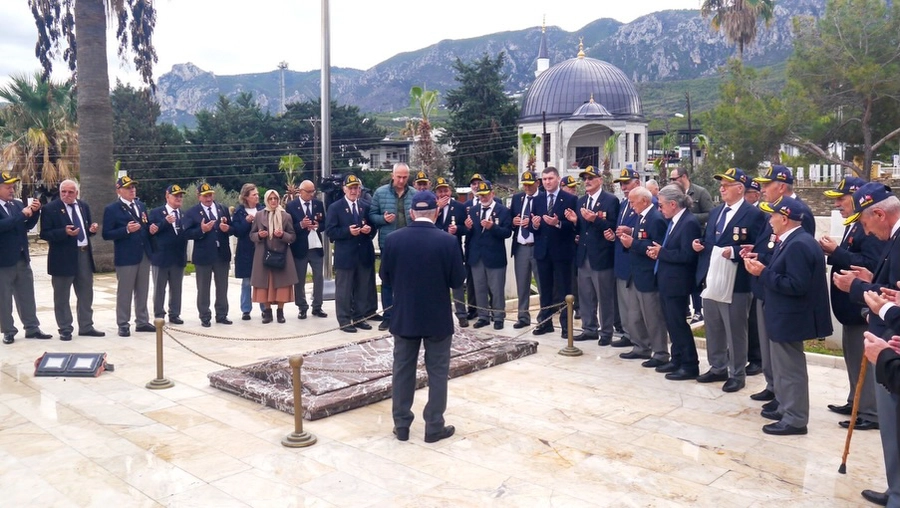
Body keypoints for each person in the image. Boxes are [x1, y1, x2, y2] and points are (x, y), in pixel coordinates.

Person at [832, 182, 900, 507]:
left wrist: (857, 287)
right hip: (887, 334)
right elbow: (889, 288)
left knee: (893, 423)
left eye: (865, 223)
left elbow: (889, 298)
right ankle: (895, 486)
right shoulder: (893, 239)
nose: (866, 231)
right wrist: (871, 280)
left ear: (879, 214)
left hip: (892, 340)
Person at [381, 190, 465, 444]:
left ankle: (402, 425)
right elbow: (457, 280)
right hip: (437, 318)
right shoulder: (448, 241)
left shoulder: (394, 239)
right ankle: (434, 427)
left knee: (402, 371)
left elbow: (385, 277)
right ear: (436, 212)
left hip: (405, 315)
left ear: (411, 213)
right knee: (437, 372)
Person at [743, 196, 832, 435]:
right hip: (783, 314)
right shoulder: (792, 240)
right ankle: (785, 407)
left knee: (790, 369)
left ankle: (795, 419)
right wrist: (762, 265)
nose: (769, 220)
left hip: (790, 317)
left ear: (784, 219)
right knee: (782, 368)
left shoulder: (799, 244)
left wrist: (762, 273)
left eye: (773, 216)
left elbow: (796, 285)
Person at [746, 166, 815, 406]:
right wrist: (756, 253)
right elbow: (773, 245)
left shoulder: (799, 213)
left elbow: (794, 255)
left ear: (782, 186)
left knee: (783, 351)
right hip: (767, 285)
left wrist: (764, 267)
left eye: (767, 185)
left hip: (781, 290)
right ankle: (774, 386)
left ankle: (783, 396)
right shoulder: (772, 210)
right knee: (769, 345)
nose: (762, 189)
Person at [693, 168, 766, 393]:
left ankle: (737, 373)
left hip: (737, 281)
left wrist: (734, 252)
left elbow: (759, 247)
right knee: (713, 326)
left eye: (726, 185)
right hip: (713, 277)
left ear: (740, 188)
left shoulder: (754, 214)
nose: (721, 188)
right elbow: (710, 239)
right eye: (721, 184)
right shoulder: (716, 212)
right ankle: (717, 367)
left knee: (735, 330)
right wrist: (700, 244)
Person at [820, 177, 882, 431]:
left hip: (860, 306)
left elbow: (870, 264)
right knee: (852, 357)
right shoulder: (853, 225)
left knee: (862, 359)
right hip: (848, 306)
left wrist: (836, 252)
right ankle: (855, 401)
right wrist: (833, 253)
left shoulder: (869, 228)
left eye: (842, 199)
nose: (837, 204)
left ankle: (870, 411)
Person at [647, 184, 701, 380]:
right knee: (671, 322)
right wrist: (660, 252)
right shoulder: (674, 221)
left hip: (678, 282)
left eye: (661, 205)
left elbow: (687, 255)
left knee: (678, 324)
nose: (659, 208)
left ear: (673, 204)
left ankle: (690, 364)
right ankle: (677, 358)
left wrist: (662, 253)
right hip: (667, 279)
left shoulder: (689, 223)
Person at [39, 179, 102, 341]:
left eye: (70, 192)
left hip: (83, 254)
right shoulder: (50, 209)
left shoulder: (83, 206)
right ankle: (65, 328)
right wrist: (64, 232)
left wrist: (91, 230)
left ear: (77, 193)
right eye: (63, 192)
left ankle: (86, 326)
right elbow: (44, 234)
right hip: (62, 257)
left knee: (86, 293)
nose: (66, 195)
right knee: (62, 296)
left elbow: (85, 229)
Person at [564, 166, 618, 344]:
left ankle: (606, 332)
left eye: (591, 178)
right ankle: (589, 328)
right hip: (584, 255)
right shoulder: (581, 201)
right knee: (586, 296)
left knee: (605, 297)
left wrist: (595, 219)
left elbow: (613, 227)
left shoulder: (610, 200)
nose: (587, 181)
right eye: (585, 178)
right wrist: (575, 221)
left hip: (602, 256)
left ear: (600, 180)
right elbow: (581, 230)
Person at [617, 187, 670, 366]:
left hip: (648, 275)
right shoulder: (641, 217)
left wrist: (632, 243)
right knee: (635, 315)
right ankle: (641, 347)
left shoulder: (656, 218)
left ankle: (660, 352)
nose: (631, 206)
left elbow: (656, 246)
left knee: (653, 317)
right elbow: (641, 238)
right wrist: (630, 237)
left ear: (644, 201)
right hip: (636, 273)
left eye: (633, 202)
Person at [102, 175, 157, 337]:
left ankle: (142, 321)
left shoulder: (140, 205)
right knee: (125, 292)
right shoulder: (112, 209)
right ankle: (123, 323)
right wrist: (126, 230)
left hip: (143, 253)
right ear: (119, 191)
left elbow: (145, 225)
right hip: (126, 256)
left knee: (142, 290)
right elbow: (106, 234)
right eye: (128, 187)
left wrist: (151, 229)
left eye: (133, 187)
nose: (132, 190)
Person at [0, 171, 51, 344]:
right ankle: (8, 330)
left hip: (22, 258)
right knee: (4, 298)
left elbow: (26, 225)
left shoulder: (16, 204)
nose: (11, 190)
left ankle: (32, 328)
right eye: (7, 187)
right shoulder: (16, 210)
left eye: (12, 187)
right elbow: (4, 226)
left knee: (27, 295)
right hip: (3, 261)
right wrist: (21, 215)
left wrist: (35, 212)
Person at [325, 174, 376, 333]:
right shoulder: (335, 207)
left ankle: (359, 318)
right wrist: (347, 231)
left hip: (363, 254)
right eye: (351, 188)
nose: (354, 191)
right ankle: (345, 320)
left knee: (362, 289)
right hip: (346, 256)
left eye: (356, 188)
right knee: (344, 291)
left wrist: (368, 230)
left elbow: (373, 228)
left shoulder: (365, 206)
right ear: (344, 189)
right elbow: (330, 231)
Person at [532, 167, 578, 338]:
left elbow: (574, 226)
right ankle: (545, 323)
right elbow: (533, 227)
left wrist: (557, 223)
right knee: (545, 290)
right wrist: (535, 224)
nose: (547, 182)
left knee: (565, 290)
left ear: (558, 179)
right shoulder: (538, 199)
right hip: (543, 252)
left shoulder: (570, 199)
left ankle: (566, 327)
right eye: (544, 179)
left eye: (550, 178)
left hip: (562, 252)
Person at [368, 163, 415, 331]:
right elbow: (371, 215)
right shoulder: (380, 193)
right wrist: (383, 219)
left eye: (405, 177)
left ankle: (408, 315)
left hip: (410, 244)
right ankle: (388, 316)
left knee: (409, 281)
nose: (401, 180)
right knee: (387, 281)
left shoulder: (414, 194)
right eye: (399, 177)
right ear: (392, 175)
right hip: (388, 244)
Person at [183, 182, 233, 327]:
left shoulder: (222, 209)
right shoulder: (192, 212)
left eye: (210, 195)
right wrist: (202, 230)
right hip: (203, 256)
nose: (208, 198)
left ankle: (222, 314)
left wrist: (227, 228)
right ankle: (205, 316)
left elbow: (231, 228)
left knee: (222, 287)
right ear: (199, 196)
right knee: (203, 288)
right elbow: (186, 233)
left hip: (221, 254)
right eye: (205, 196)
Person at [465, 180, 512, 329]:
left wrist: (493, 227)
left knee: (496, 289)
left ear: (492, 193)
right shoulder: (473, 210)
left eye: (485, 195)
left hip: (494, 256)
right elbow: (471, 235)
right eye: (480, 195)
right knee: (479, 288)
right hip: (477, 256)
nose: (483, 198)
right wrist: (467, 228)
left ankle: (498, 317)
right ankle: (483, 316)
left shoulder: (502, 210)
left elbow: (507, 232)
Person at [669, 167, 713, 323]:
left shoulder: (700, 192)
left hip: (697, 237)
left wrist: (690, 217)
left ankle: (698, 309)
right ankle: (686, 308)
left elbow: (710, 213)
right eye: (670, 179)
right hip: (679, 238)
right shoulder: (674, 194)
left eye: (674, 179)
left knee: (696, 274)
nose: (672, 182)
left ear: (684, 177)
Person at [250, 190, 298, 324]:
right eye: (270, 199)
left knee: (282, 284)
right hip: (263, 254)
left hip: (281, 254)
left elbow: (292, 236)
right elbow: (252, 235)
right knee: (264, 283)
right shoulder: (259, 215)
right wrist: (259, 235)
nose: (273, 201)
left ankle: (280, 312)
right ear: (266, 200)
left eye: (275, 198)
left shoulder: (286, 216)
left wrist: (282, 235)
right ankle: (267, 312)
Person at [608, 168, 643, 349]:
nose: (623, 187)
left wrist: (631, 231)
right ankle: (628, 334)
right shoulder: (623, 204)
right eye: (621, 184)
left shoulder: (646, 203)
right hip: (620, 258)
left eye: (627, 183)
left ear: (637, 183)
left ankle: (638, 338)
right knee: (623, 302)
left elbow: (649, 229)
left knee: (634, 305)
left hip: (635, 260)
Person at [286, 180, 327, 320]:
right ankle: (302, 307)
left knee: (318, 278)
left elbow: (324, 223)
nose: (311, 194)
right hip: (300, 248)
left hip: (316, 247)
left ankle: (317, 306)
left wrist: (317, 226)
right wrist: (301, 225)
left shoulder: (318, 204)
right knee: (300, 280)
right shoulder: (291, 206)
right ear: (300, 192)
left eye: (313, 191)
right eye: (308, 192)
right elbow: (289, 228)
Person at [148, 184, 188, 325]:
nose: (178, 198)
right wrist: (165, 222)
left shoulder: (183, 214)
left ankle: (175, 314)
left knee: (176, 288)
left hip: (178, 257)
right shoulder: (156, 213)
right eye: (175, 195)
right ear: (167, 196)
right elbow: (151, 231)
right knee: (160, 289)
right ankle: (159, 314)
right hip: (161, 257)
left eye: (180, 196)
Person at [433, 177, 469, 327]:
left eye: (445, 190)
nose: (443, 194)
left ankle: (461, 314)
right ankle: (438, 314)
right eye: (440, 191)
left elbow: (466, 228)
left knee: (457, 284)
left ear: (450, 191)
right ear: (436, 193)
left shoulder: (459, 207)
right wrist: (438, 209)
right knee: (437, 284)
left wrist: (457, 229)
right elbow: (427, 223)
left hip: (453, 250)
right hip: (436, 251)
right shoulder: (432, 207)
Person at [510, 171, 541, 329]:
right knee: (522, 284)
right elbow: (509, 221)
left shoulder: (543, 198)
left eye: (530, 184)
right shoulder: (517, 198)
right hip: (521, 246)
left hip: (537, 246)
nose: (527, 187)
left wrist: (535, 224)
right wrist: (513, 222)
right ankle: (523, 316)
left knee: (542, 284)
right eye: (525, 185)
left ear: (537, 183)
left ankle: (544, 317)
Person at [231, 183, 264, 320]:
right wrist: (246, 222)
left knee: (262, 280)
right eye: (254, 194)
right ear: (246, 197)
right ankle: (246, 310)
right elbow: (236, 231)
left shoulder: (262, 209)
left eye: (257, 194)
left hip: (261, 249)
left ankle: (265, 308)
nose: (257, 197)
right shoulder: (239, 212)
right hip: (245, 251)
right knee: (246, 281)